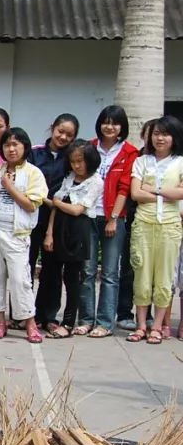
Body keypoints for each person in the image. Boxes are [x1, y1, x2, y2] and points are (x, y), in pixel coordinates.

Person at [0, 128, 48, 344]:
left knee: (21, 279)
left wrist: (10, 187)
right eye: (7, 145)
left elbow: (31, 204)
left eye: (15, 144)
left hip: (16, 232)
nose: (11, 149)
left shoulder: (33, 173)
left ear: (25, 147)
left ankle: (30, 322)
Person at [126, 116, 183, 344]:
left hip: (169, 225)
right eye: (156, 133)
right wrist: (166, 191)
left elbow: (181, 194)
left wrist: (153, 188)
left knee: (164, 277)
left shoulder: (180, 162)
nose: (160, 138)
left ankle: (158, 327)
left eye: (165, 134)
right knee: (142, 274)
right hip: (144, 224)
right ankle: (141, 325)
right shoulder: (142, 161)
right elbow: (135, 194)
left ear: (174, 138)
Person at [84, 105, 139, 337]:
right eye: (106, 122)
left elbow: (125, 188)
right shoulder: (90, 146)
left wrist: (113, 218)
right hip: (87, 215)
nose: (110, 126)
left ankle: (105, 322)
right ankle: (85, 319)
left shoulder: (129, 152)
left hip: (112, 218)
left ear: (122, 127)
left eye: (115, 123)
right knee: (86, 271)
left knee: (109, 273)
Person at [44, 141, 103, 338]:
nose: (77, 166)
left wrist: (57, 203)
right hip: (59, 228)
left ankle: (68, 322)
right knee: (52, 274)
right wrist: (49, 233)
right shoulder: (69, 178)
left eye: (80, 161)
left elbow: (78, 209)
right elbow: (55, 207)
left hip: (78, 231)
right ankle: (48, 316)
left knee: (73, 279)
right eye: (73, 161)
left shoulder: (96, 181)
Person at [30, 113, 80, 330]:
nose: (63, 137)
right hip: (30, 216)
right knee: (26, 267)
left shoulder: (72, 159)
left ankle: (48, 315)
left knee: (52, 269)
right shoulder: (34, 153)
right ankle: (24, 313)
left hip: (57, 219)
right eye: (60, 131)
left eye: (69, 135)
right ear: (52, 128)